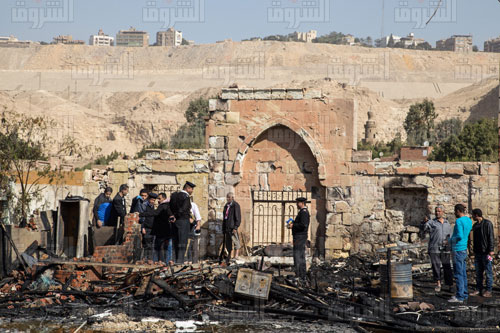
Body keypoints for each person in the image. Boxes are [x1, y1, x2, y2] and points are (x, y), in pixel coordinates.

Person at [421, 206, 453, 292]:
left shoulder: (447, 223)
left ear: (443, 212)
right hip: (434, 248)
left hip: (445, 249)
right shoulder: (431, 222)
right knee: (436, 267)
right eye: (436, 211)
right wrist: (424, 223)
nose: (437, 213)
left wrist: (449, 243)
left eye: (439, 211)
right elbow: (424, 229)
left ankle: (449, 284)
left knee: (447, 266)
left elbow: (450, 235)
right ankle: (438, 283)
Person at [448, 204, 473, 303]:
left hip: (458, 249)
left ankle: (459, 296)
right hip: (463, 249)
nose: (454, 213)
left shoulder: (459, 221)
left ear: (458, 211)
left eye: (455, 211)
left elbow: (459, 236)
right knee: (463, 273)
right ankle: (464, 293)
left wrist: (449, 241)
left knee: (458, 273)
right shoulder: (468, 220)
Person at [470, 209, 495, 298]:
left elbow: (491, 237)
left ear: (476, 215)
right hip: (478, 252)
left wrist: (491, 250)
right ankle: (479, 288)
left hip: (486, 252)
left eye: (473, 215)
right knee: (478, 272)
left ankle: (489, 290)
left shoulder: (487, 224)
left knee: (488, 272)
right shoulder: (475, 225)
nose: (472, 217)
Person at [169, 182, 195, 264]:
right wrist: (176, 215)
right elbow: (183, 209)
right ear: (187, 188)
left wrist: (172, 216)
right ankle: (180, 261)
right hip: (183, 221)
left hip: (174, 222)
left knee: (176, 241)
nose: (192, 191)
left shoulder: (174, 195)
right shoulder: (186, 197)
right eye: (191, 189)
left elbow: (169, 208)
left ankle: (177, 259)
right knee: (182, 242)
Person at [287, 197, 310, 280]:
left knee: (298, 255)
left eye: (298, 203)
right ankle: (301, 274)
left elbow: (304, 225)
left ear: (302, 203)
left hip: (300, 237)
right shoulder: (302, 212)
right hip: (299, 237)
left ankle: (299, 275)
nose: (297, 204)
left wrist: (293, 225)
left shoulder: (304, 212)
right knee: (300, 255)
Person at [219, 193, 241, 265]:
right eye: (227, 197)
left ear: (232, 197)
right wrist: (223, 228)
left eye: (229, 197)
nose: (228, 198)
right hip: (227, 227)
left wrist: (236, 227)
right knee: (228, 243)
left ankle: (236, 255)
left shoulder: (235, 205)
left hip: (232, 227)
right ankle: (229, 255)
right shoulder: (226, 206)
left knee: (235, 241)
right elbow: (224, 218)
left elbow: (238, 217)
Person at [141, 192, 158, 261]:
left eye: (154, 200)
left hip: (152, 228)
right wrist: (143, 227)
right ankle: (145, 258)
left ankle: (149, 259)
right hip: (146, 227)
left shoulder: (152, 206)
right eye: (152, 200)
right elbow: (142, 217)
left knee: (151, 245)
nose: (153, 202)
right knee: (146, 244)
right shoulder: (144, 205)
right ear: (149, 199)